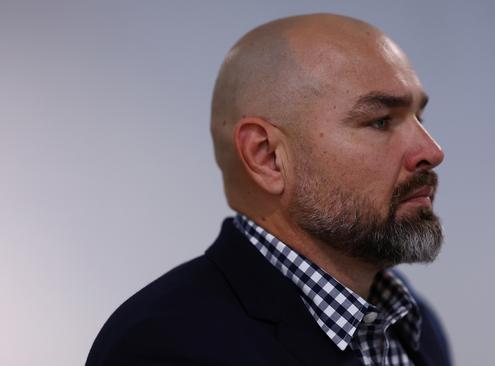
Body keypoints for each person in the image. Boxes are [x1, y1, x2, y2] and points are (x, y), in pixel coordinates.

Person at [86, 13, 451, 366]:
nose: (432, 151)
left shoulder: (411, 324)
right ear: (267, 157)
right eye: (381, 121)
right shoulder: (166, 345)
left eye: (419, 117)